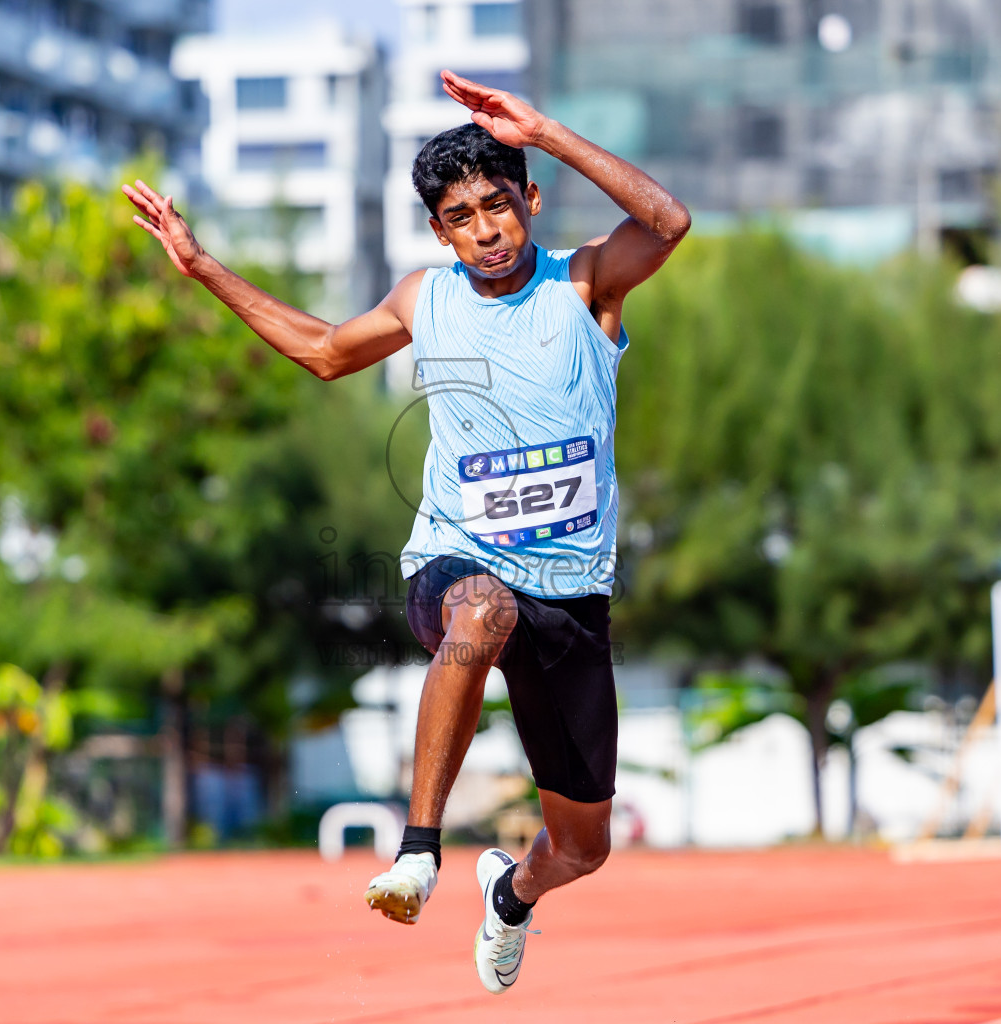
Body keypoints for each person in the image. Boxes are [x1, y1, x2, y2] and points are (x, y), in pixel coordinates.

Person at [122, 69, 689, 994]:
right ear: (440, 231)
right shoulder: (424, 299)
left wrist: (542, 129)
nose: (486, 229)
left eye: (499, 205)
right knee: (483, 611)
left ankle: (511, 896)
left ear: (529, 200)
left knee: (583, 848)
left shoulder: (584, 286)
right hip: (457, 564)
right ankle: (417, 851)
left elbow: (669, 223)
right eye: (462, 216)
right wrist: (201, 266)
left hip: (574, 595)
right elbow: (319, 351)